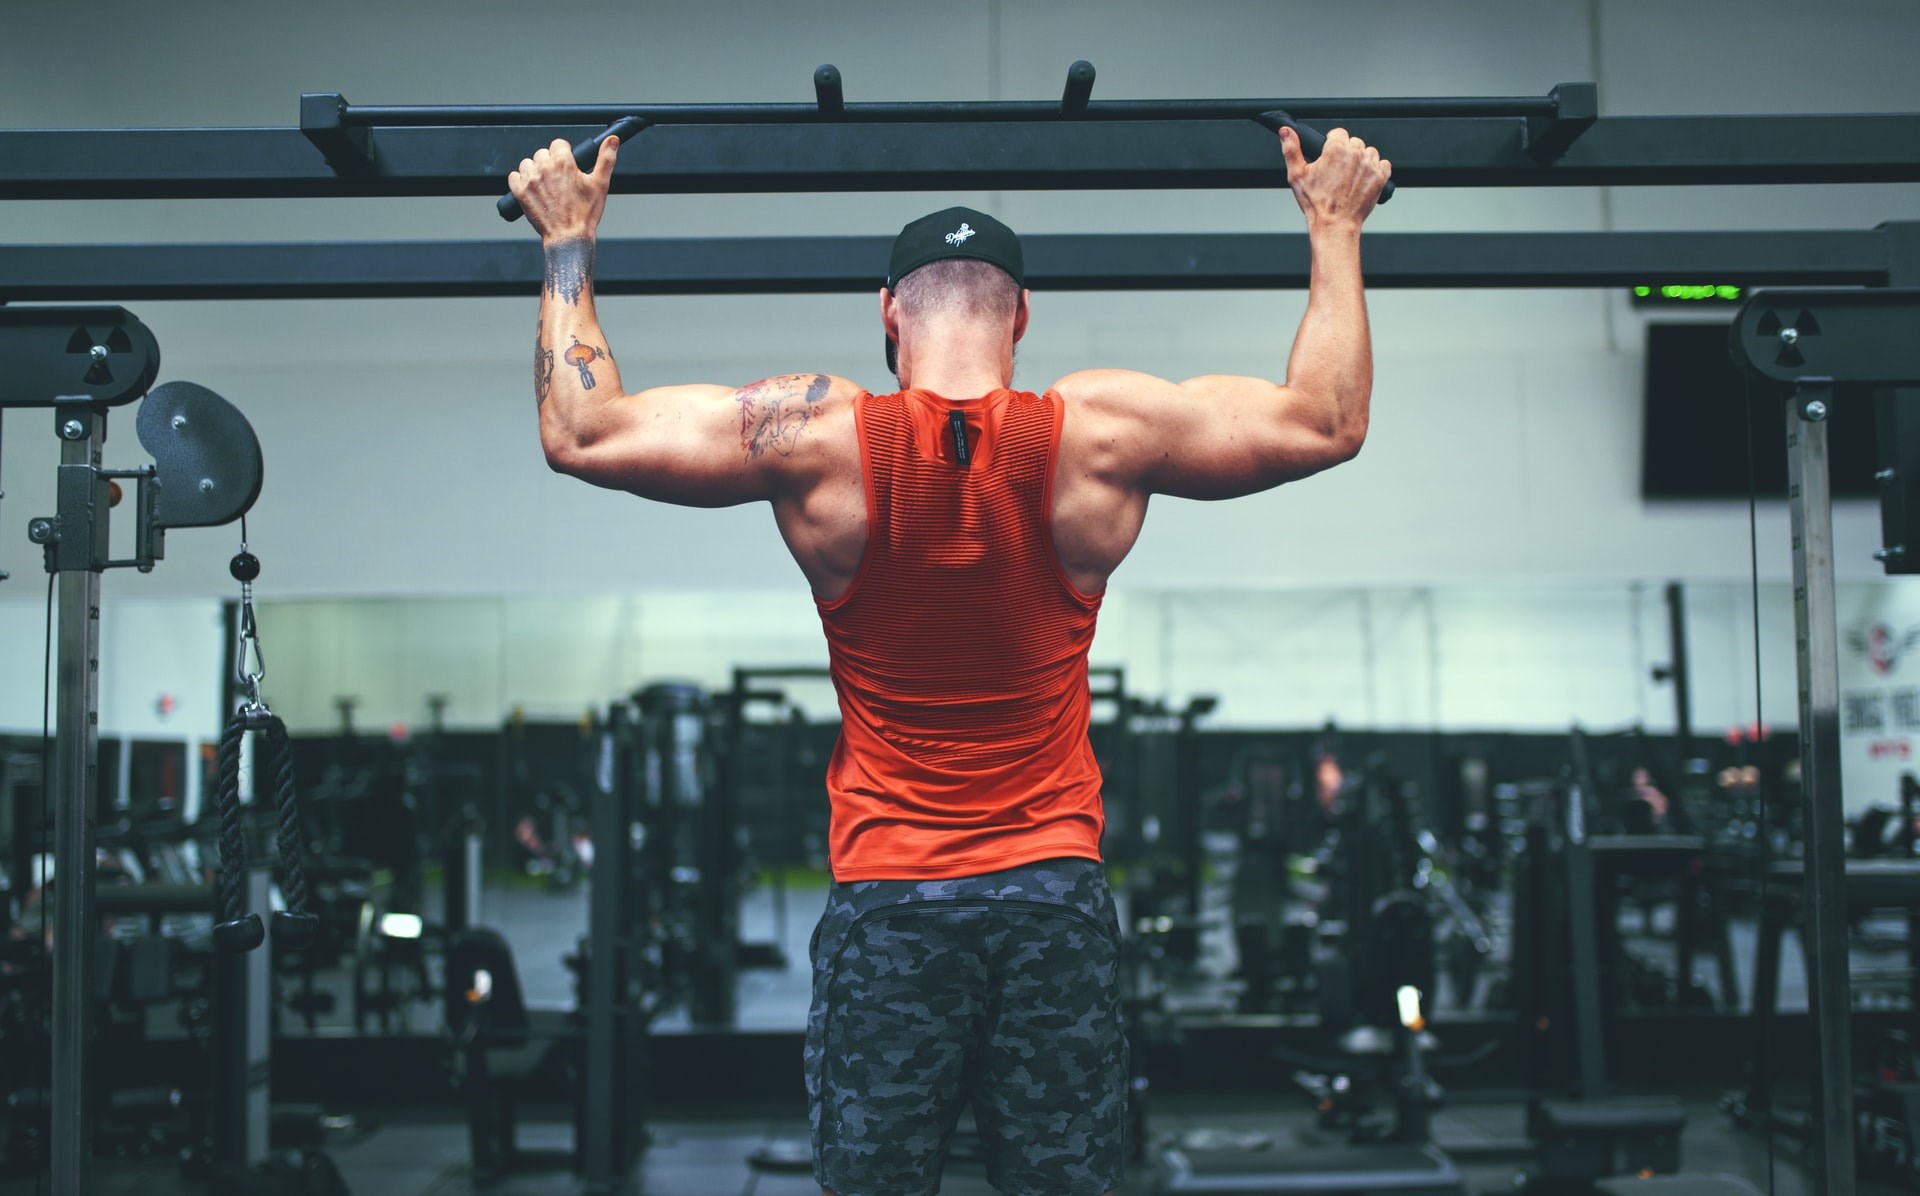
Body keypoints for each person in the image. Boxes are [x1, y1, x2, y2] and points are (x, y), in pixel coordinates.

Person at [509, 122, 1388, 1196]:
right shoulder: (1103, 430)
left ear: (889, 315)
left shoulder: (819, 434)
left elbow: (582, 433)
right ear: (1021, 317)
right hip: (1051, 900)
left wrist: (567, 239)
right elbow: (1328, 419)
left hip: (890, 904)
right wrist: (1334, 222)